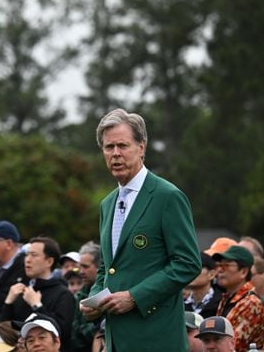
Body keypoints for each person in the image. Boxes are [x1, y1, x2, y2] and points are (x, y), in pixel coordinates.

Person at [80, 108, 201, 351]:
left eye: (123, 146)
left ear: (142, 147)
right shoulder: (107, 203)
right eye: (109, 147)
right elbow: (107, 267)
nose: (115, 154)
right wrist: (94, 300)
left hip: (156, 338)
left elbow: (188, 263)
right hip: (116, 339)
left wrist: (136, 296)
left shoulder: (167, 197)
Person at [0, 236, 74, 351]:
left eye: (34, 255)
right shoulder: (19, 291)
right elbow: (3, 332)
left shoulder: (63, 294)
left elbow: (62, 333)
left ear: (49, 261)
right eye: (27, 255)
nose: (27, 260)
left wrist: (37, 306)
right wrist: (8, 303)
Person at [213, 245, 264, 350]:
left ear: (243, 272)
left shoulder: (252, 303)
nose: (219, 270)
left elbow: (232, 345)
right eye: (218, 265)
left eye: (225, 265)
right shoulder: (226, 298)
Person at [71, 241, 101, 352]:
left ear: (100, 267)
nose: (81, 272)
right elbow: (75, 334)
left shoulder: (111, 293)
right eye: (79, 267)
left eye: (85, 267)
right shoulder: (80, 295)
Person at [185, 252, 223, 318]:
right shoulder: (180, 305)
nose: (190, 271)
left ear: (212, 274)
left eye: (196, 267)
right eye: (187, 267)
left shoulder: (222, 303)